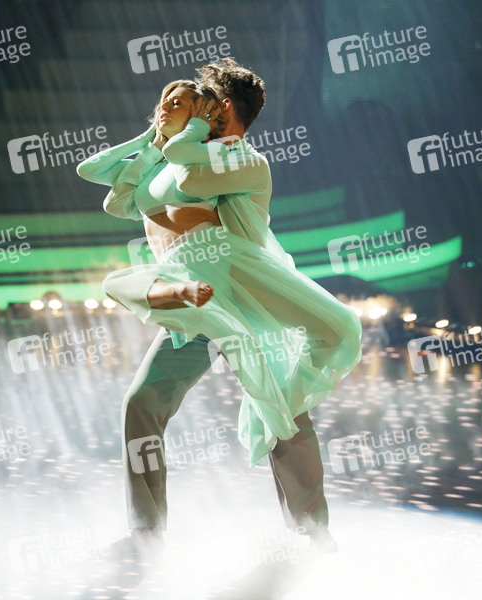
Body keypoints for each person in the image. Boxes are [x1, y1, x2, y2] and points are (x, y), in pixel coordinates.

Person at [76, 58, 361, 558]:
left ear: (222, 107)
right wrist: (153, 139)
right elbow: (112, 190)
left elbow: (190, 185)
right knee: (142, 403)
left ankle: (313, 534)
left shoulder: (239, 159)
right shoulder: (183, 155)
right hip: (193, 298)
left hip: (235, 292)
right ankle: (146, 532)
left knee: (280, 407)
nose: (193, 107)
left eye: (203, 100)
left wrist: (181, 137)